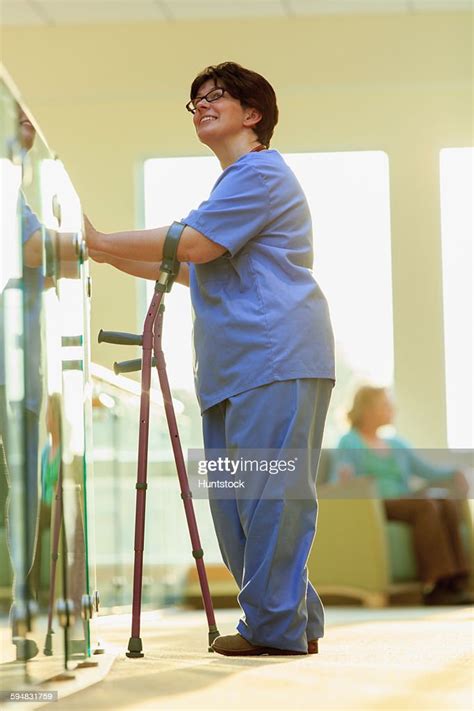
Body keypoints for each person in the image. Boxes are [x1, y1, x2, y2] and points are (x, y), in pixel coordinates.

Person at [84, 62, 335, 656]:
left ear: (253, 115)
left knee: (269, 498)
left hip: (277, 354)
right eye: (194, 99)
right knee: (237, 506)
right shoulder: (229, 189)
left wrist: (98, 241)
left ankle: (275, 629)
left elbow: (191, 244)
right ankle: (297, 619)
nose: (201, 104)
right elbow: (189, 262)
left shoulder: (261, 172)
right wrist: (105, 255)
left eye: (215, 96)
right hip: (234, 367)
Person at [332, 386, 472, 605]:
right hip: (376, 504)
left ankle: (457, 580)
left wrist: (455, 472)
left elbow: (428, 471)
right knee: (426, 505)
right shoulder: (349, 441)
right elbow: (338, 478)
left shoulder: (396, 443)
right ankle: (435, 584)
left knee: (444, 499)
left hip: (404, 499)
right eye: (386, 405)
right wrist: (343, 478)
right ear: (367, 410)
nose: (392, 409)